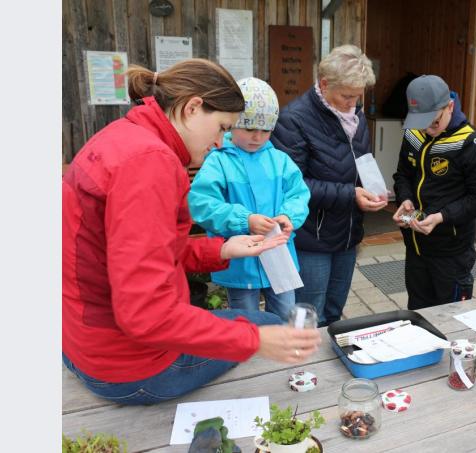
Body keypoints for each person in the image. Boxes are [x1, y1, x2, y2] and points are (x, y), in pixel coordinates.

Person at [62, 59, 321, 405]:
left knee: (259, 321)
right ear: (193, 108)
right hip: (128, 367)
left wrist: (222, 251)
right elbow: (145, 314)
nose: (218, 143)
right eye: (220, 128)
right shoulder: (149, 162)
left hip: (83, 343)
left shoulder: (124, 137)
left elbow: (140, 252)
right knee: (264, 326)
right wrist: (255, 342)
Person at [271, 44, 384, 327]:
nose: (353, 104)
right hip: (312, 238)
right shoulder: (294, 120)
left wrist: (373, 187)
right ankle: (303, 369)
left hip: (347, 233)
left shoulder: (355, 117)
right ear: (324, 84)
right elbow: (294, 185)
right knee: (309, 315)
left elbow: (361, 161)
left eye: (358, 97)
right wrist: (350, 195)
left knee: (334, 312)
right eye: (347, 96)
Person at [188, 77, 310, 321]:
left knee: (287, 316)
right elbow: (202, 204)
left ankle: (285, 358)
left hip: (279, 254)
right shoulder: (219, 160)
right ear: (233, 124)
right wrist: (245, 220)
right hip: (241, 261)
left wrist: (288, 216)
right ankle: (253, 359)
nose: (257, 137)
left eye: (265, 130)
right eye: (249, 128)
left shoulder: (280, 160)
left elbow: (299, 194)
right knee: (246, 321)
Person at [392, 75, 476, 310]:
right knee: (417, 314)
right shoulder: (414, 133)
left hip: (452, 253)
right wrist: (405, 199)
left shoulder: (471, 142)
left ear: (449, 106)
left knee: (450, 319)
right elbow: (403, 175)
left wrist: (442, 217)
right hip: (415, 247)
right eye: (422, 123)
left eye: (435, 123)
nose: (428, 130)